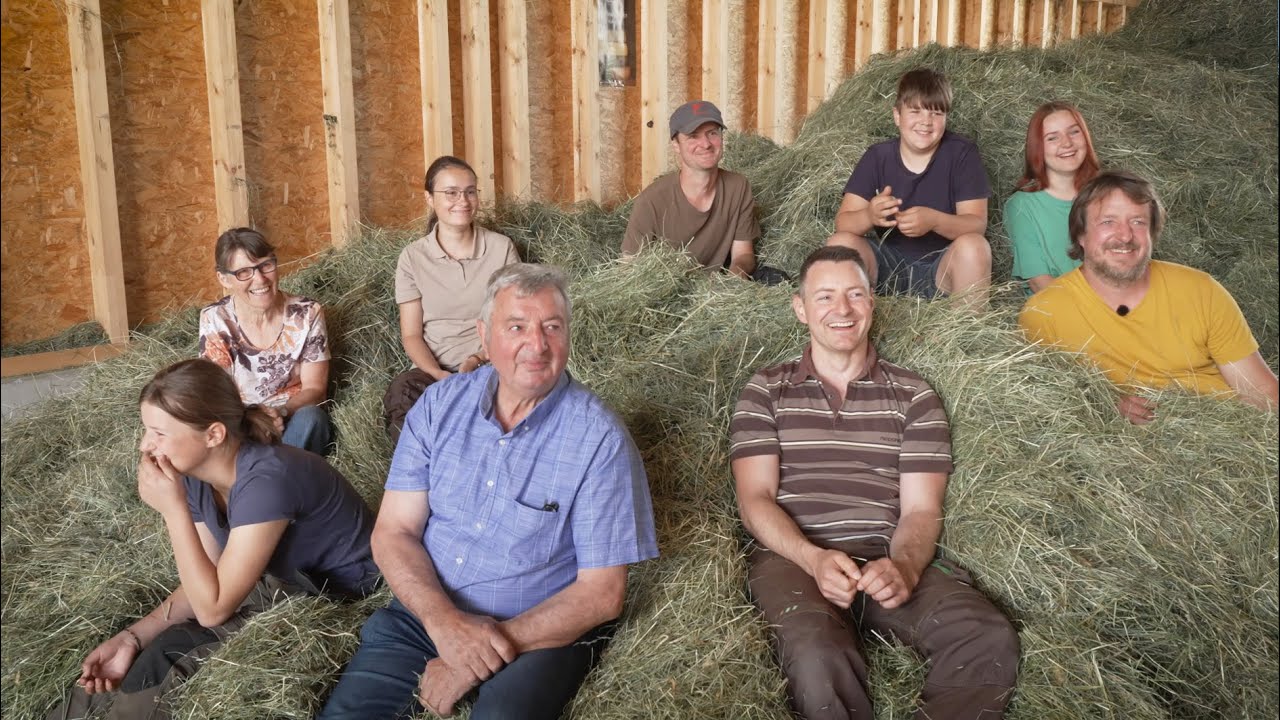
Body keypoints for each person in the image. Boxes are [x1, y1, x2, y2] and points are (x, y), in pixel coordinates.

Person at [318, 263, 659, 720]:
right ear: (485, 335)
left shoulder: (598, 438)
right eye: (516, 326)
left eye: (552, 328)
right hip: (427, 612)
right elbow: (393, 532)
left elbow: (601, 593)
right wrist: (445, 625)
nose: (536, 345)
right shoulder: (439, 406)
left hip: (539, 632)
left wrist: (479, 655)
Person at [731, 244, 1019, 719]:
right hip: (795, 558)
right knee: (818, 658)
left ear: (872, 303)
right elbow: (755, 499)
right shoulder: (766, 391)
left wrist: (904, 566)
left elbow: (922, 510)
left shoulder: (914, 395)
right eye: (824, 297)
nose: (841, 310)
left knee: (985, 636)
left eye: (854, 295)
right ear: (800, 309)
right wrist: (814, 557)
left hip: (884, 556)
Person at [47, 359, 378, 720]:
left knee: (172, 654)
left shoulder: (267, 480)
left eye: (159, 433)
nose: (145, 446)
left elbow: (212, 609)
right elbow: (205, 582)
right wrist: (132, 637)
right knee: (138, 654)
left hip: (336, 599)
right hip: (280, 583)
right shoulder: (194, 475)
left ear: (214, 435)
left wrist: (174, 513)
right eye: (146, 430)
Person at [1019, 171, 1278, 423]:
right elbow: (1048, 406)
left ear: (1152, 234)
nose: (1125, 235)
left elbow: (1261, 393)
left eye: (1138, 222)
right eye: (1108, 222)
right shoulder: (1044, 314)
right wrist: (1108, 403)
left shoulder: (1201, 291)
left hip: (1228, 431)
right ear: (1081, 234)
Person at [383, 156, 520, 443]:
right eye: (451, 193)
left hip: (491, 365)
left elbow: (514, 320)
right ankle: (421, 476)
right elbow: (411, 334)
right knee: (402, 395)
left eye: (471, 191)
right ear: (430, 199)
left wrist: (477, 359)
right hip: (433, 372)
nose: (464, 200)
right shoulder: (413, 257)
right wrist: (437, 374)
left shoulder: (501, 248)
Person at [829, 68, 992, 308]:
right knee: (839, 245)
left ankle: (966, 335)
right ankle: (848, 325)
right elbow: (843, 224)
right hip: (887, 267)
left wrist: (935, 221)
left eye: (936, 113)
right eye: (915, 111)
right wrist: (870, 215)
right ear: (897, 116)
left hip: (942, 269)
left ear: (946, 117)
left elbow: (977, 224)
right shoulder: (877, 156)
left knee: (975, 246)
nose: (926, 122)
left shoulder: (962, 154)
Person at [199, 227, 333, 455]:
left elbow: (315, 388)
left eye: (266, 265)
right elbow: (216, 393)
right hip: (241, 422)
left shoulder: (308, 313)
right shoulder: (215, 319)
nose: (259, 279)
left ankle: (267, 475)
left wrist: (280, 412)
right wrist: (252, 421)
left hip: (290, 418)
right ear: (224, 278)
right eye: (243, 272)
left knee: (312, 419)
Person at [623, 100, 786, 283]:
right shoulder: (651, 201)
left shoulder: (738, 186)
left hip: (717, 292)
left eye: (712, 133)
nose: (706, 144)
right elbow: (630, 270)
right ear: (676, 145)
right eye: (693, 136)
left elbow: (743, 254)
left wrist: (730, 285)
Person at [1005, 101, 1101, 293]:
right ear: (1037, 148)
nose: (1067, 143)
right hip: (1058, 308)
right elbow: (1039, 282)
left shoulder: (1108, 195)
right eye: (1052, 138)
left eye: (1074, 132)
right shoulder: (1021, 206)